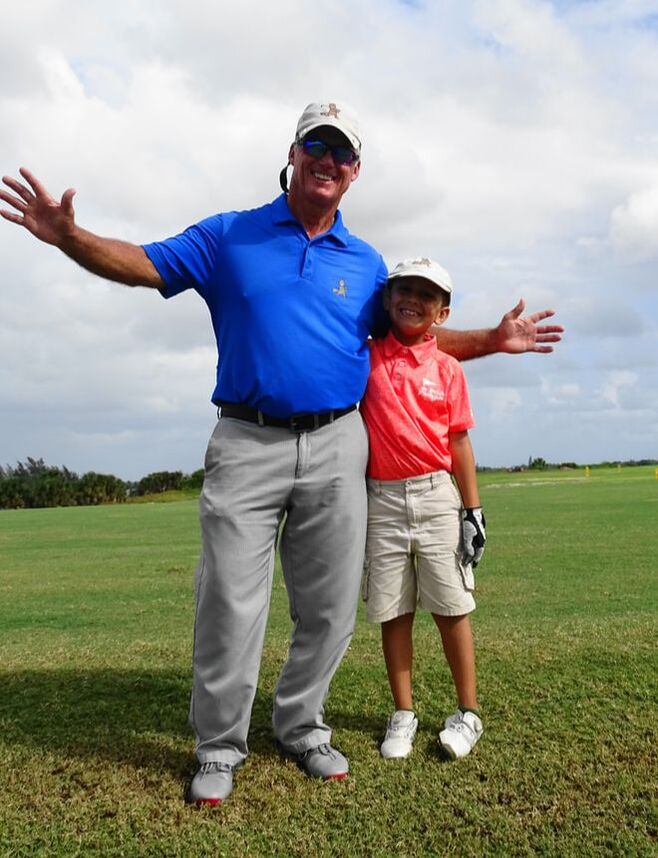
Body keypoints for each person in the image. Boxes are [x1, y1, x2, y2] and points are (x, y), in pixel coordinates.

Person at [0, 101, 563, 805]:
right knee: (232, 603)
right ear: (293, 154)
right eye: (315, 147)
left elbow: (409, 338)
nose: (328, 161)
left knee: (329, 608)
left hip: (338, 443)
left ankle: (301, 726)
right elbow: (144, 264)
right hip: (246, 439)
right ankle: (219, 745)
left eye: (342, 153)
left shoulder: (365, 264)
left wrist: (490, 340)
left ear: (354, 173)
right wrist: (69, 237)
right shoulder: (230, 236)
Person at [360, 257, 486, 762]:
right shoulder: (367, 357)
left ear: (442, 311)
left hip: (436, 496)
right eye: (403, 290)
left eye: (427, 295)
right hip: (383, 500)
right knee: (394, 609)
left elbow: (459, 444)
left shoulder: (449, 370)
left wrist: (472, 512)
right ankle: (404, 713)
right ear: (388, 299)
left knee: (451, 607)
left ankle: (468, 712)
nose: (413, 299)